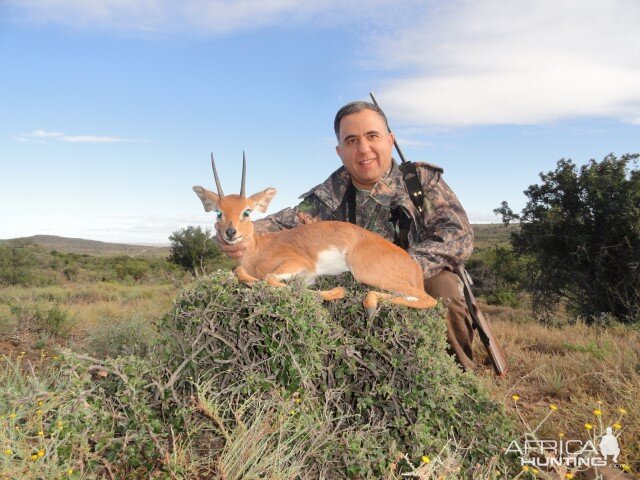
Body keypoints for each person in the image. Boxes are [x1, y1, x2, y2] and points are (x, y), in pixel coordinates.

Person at [216, 101, 476, 371]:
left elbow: (459, 237)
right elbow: (284, 225)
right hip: (354, 272)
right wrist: (234, 229)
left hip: (413, 269)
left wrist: (396, 265)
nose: (363, 149)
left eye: (372, 136)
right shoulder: (331, 191)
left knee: (445, 288)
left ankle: (458, 375)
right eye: (351, 141)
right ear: (340, 151)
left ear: (390, 139)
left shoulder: (419, 180)